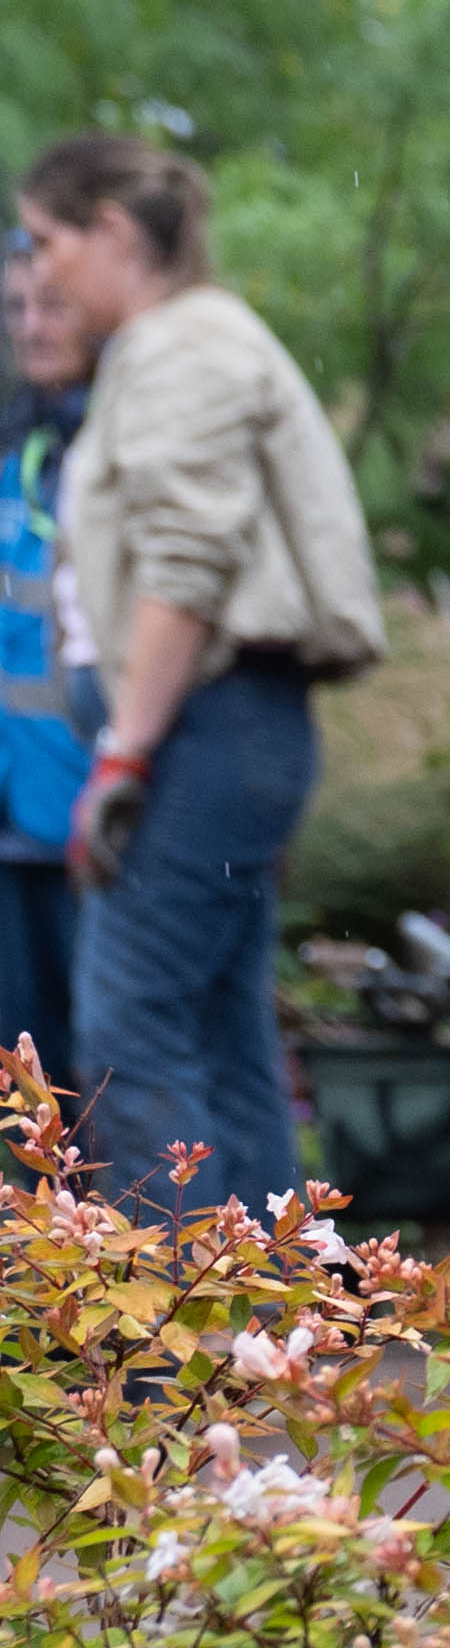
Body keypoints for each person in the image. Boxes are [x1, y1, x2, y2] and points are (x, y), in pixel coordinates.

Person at [25, 134, 384, 1218]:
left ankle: (180, 1350)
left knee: (129, 1034)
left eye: (50, 241)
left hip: (205, 730)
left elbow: (188, 558)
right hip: (228, 732)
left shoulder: (186, 347)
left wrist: (126, 746)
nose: (39, 273)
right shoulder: (178, 346)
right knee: (223, 1037)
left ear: (116, 233)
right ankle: (284, 1346)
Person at [0, 237, 90, 1115]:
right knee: (33, 1101)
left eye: (51, 303)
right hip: (14, 829)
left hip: (99, 828)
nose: (31, 326)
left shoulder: (119, 450)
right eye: (15, 307)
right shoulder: (14, 448)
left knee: (111, 1076)